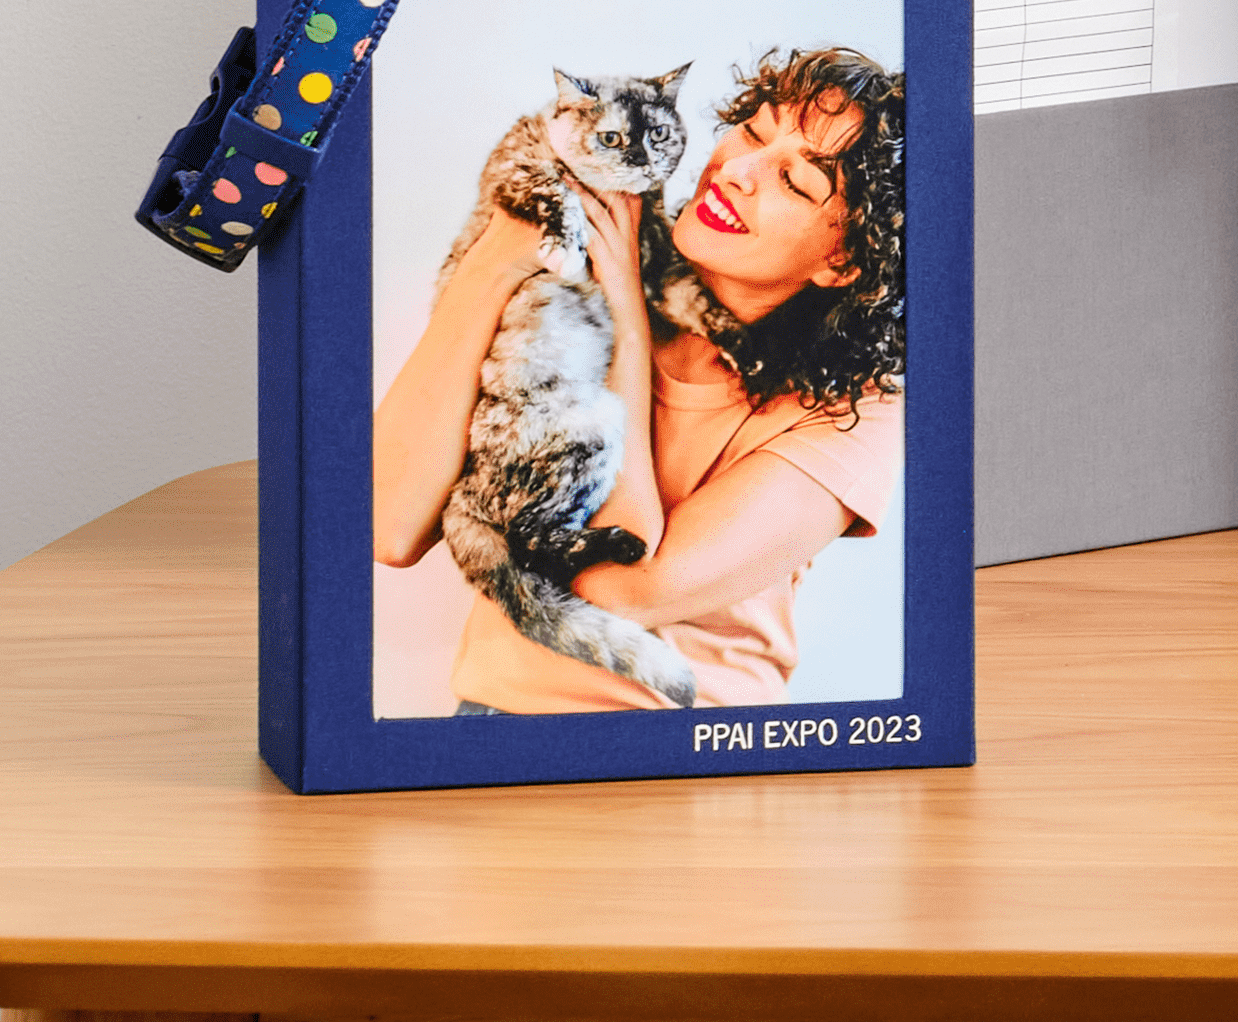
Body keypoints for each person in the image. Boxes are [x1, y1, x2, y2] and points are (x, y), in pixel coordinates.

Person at [372, 45, 911, 713]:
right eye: (752, 130)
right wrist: (494, 260)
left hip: (690, 754)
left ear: (844, 260)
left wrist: (624, 302)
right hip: (489, 732)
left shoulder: (859, 415)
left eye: (795, 181)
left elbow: (624, 589)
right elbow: (389, 523)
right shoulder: (561, 272)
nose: (735, 171)